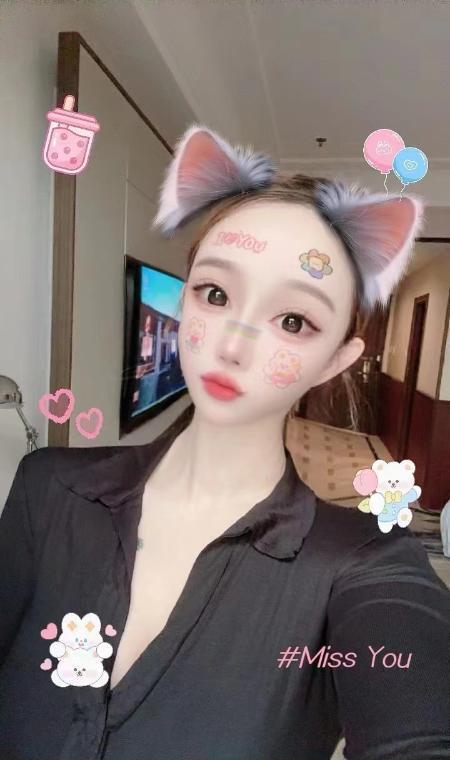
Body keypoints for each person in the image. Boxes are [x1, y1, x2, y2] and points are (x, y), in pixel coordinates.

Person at [0, 125, 449, 760]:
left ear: (335, 360)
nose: (232, 345)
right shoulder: (47, 487)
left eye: (292, 320)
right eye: (215, 293)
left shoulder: (365, 567)